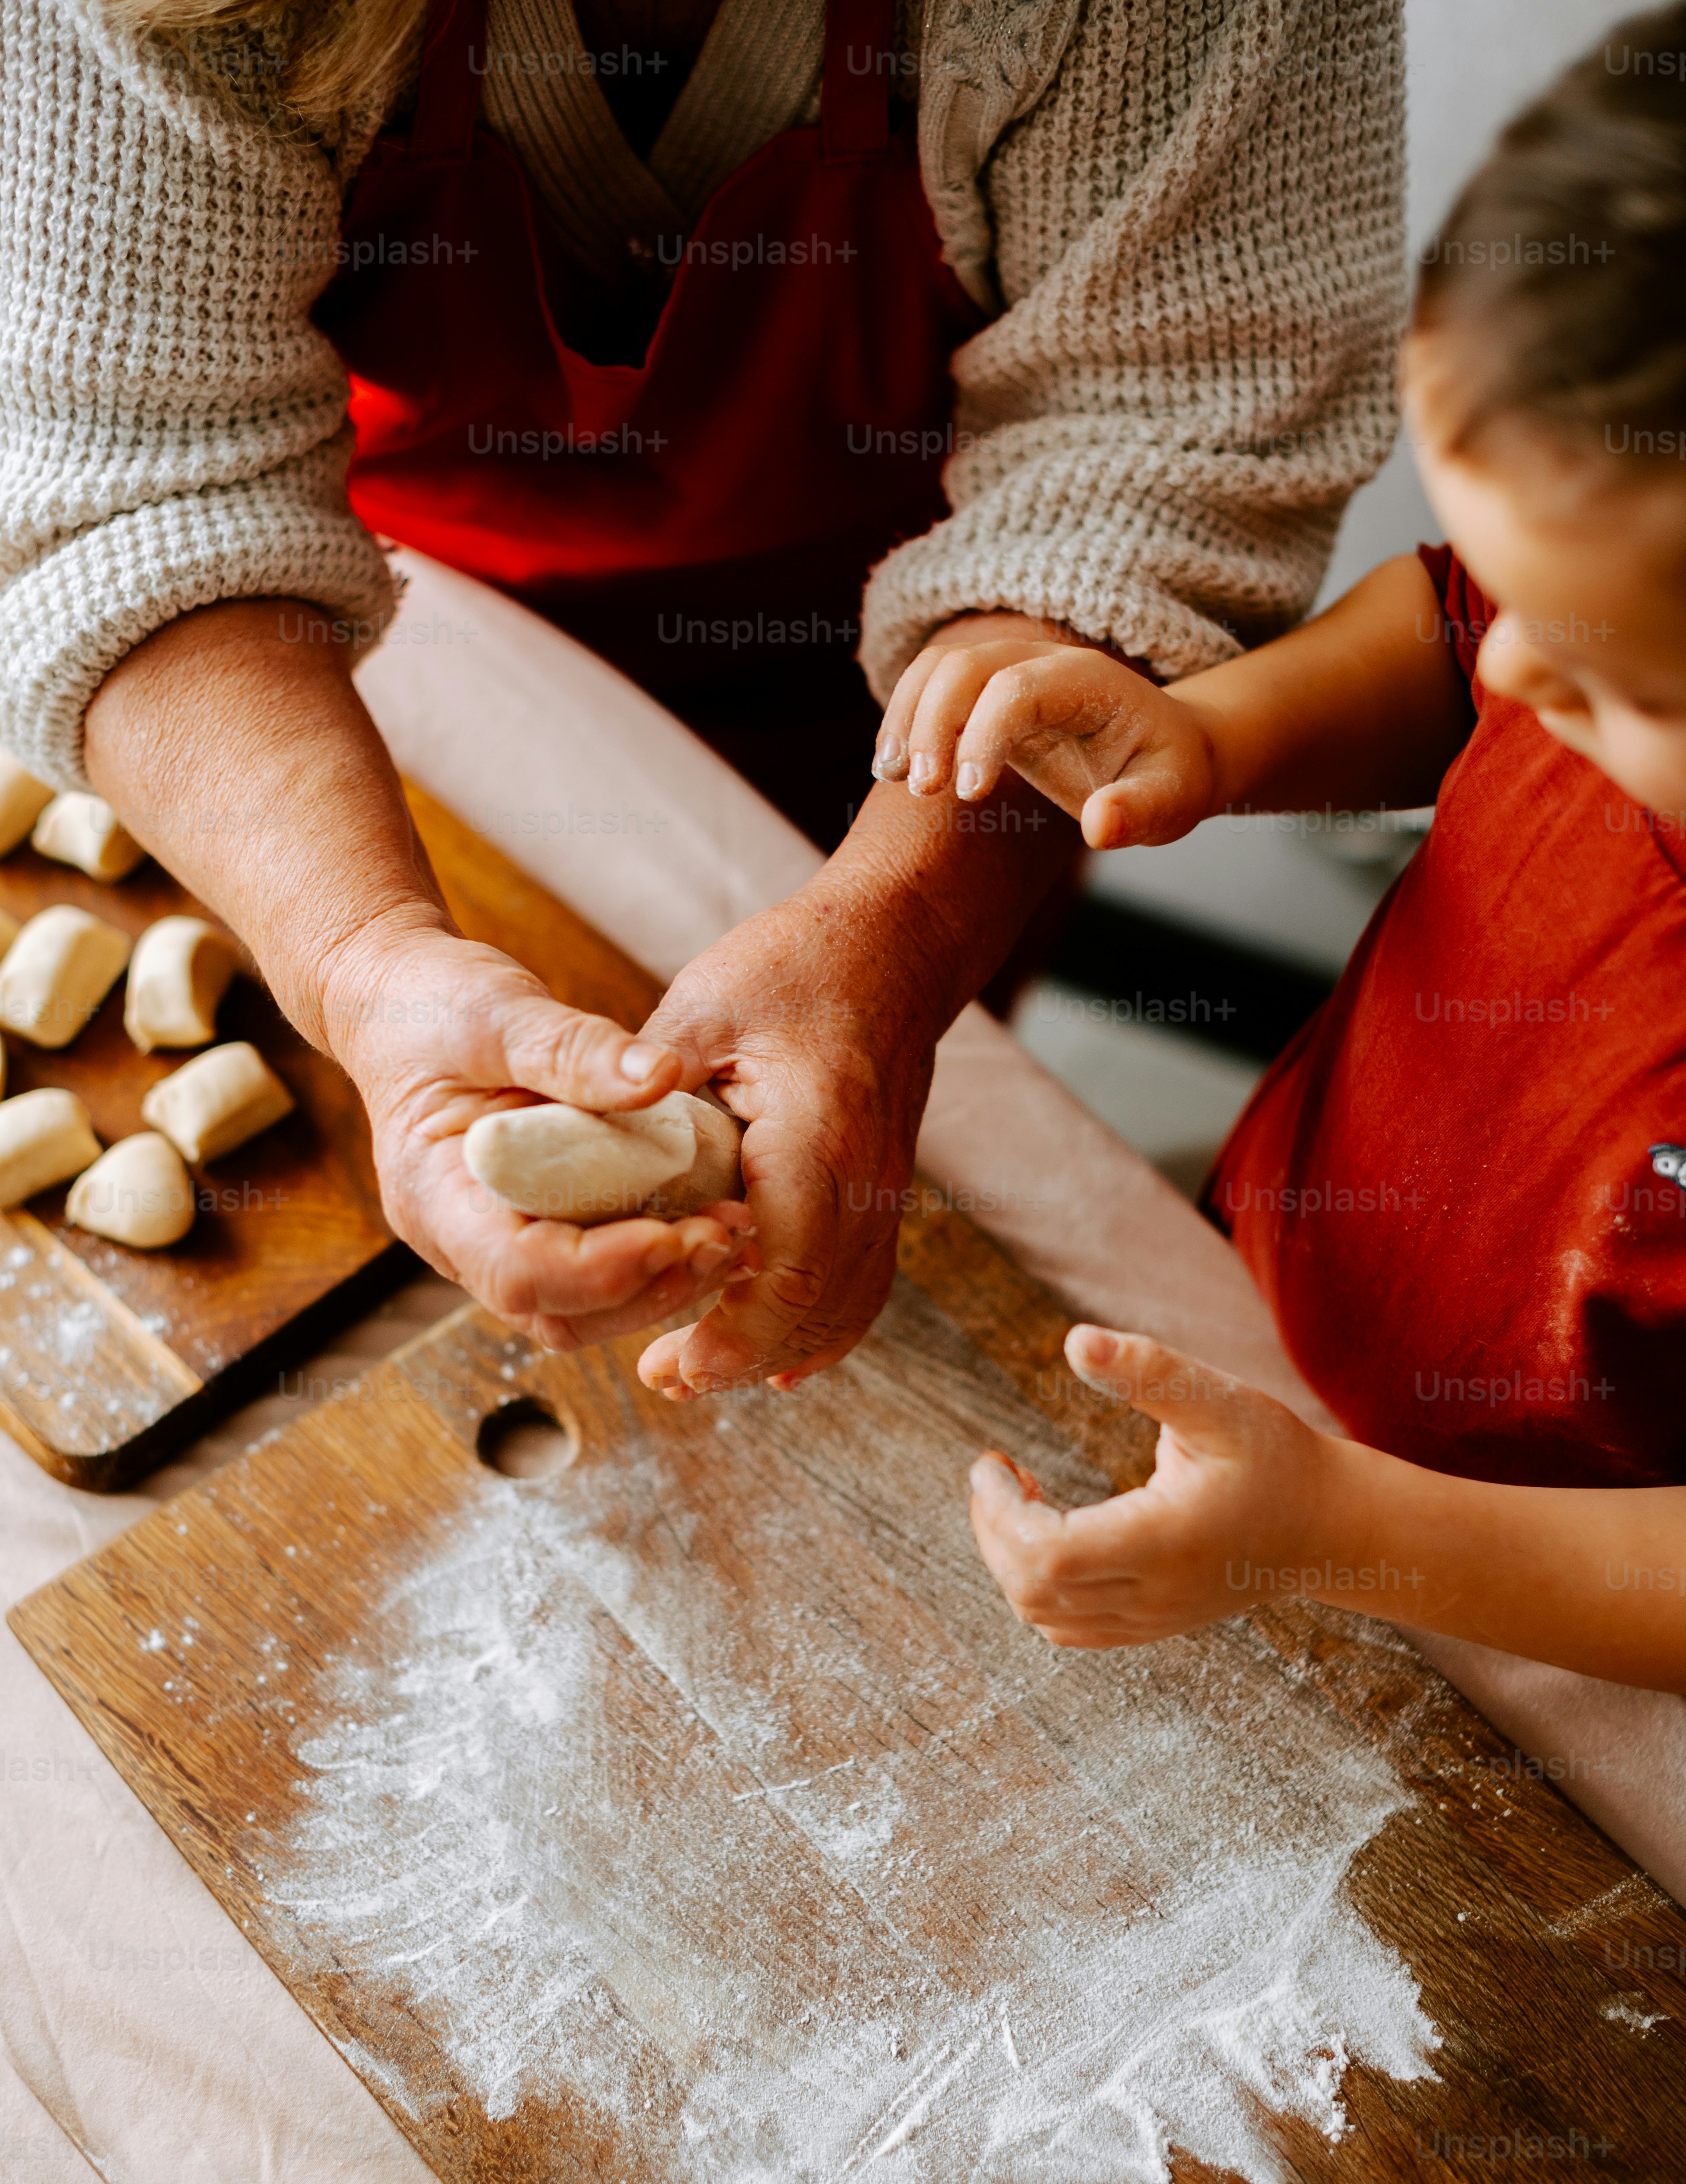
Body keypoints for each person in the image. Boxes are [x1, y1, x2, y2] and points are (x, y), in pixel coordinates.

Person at [0, 0, 1403, 1396]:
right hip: (363, 689)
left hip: (935, 715)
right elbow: (138, 482)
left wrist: (902, 933)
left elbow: (1166, 444)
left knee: (861, 1176)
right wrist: (364, 956)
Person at [874, 6, 1686, 1690]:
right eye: (1508, 581)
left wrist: (1342, 1531)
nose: (1522, 670)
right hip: (1279, 1282)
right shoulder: (1610, 596)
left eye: (1611, 674)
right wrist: (1223, 733)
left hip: (1557, 1618)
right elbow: (1454, 641)